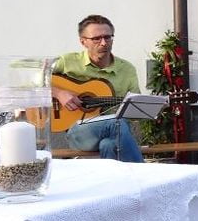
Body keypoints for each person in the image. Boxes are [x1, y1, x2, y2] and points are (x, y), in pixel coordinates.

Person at [53, 14, 144, 163]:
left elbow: (135, 110)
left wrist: (149, 107)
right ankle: (141, 172)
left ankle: (112, 177)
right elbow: (33, 82)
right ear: (83, 41)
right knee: (117, 123)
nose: (103, 43)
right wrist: (59, 93)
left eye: (108, 37)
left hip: (117, 133)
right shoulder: (67, 62)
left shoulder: (127, 69)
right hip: (79, 131)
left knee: (108, 144)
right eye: (96, 38)